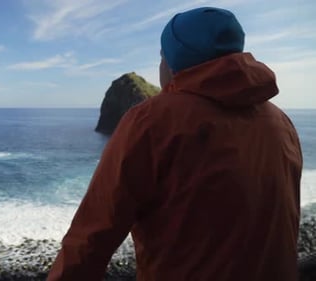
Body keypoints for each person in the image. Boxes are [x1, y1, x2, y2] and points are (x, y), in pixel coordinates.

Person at [47, 7, 303, 281]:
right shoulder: (281, 122)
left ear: (174, 61)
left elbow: (92, 235)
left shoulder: (151, 121)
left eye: (161, 56)